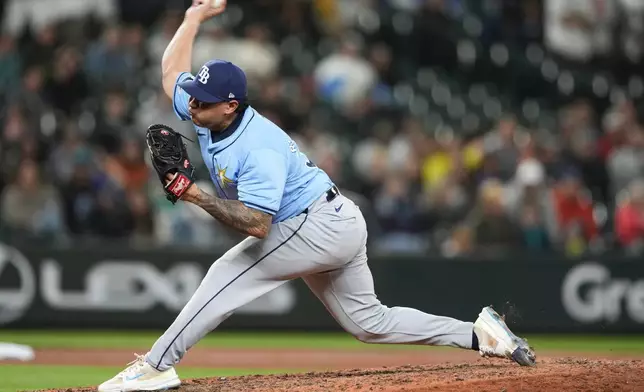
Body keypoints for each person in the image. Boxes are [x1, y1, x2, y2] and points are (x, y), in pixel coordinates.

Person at [98, 1, 536, 391]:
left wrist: (192, 194)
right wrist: (192, 18)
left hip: (314, 224)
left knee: (224, 275)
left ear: (231, 105)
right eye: (194, 99)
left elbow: (257, 224)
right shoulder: (204, 109)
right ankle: (482, 335)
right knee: (369, 323)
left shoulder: (257, 148)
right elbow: (171, 71)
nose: (192, 106)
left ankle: (157, 365)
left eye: (203, 102)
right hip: (334, 218)